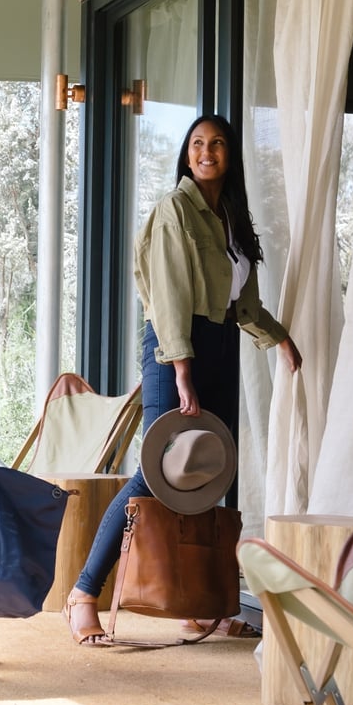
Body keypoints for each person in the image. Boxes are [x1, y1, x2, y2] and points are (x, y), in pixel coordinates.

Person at [62, 113, 302, 646]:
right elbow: (169, 299)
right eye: (197, 143)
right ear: (187, 154)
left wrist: (279, 339)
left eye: (217, 143)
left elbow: (245, 305)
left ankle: (196, 606)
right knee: (159, 474)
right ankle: (83, 593)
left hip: (219, 345)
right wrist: (182, 371)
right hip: (177, 347)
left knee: (206, 476)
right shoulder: (177, 210)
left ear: (230, 154)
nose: (206, 151)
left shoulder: (232, 219)